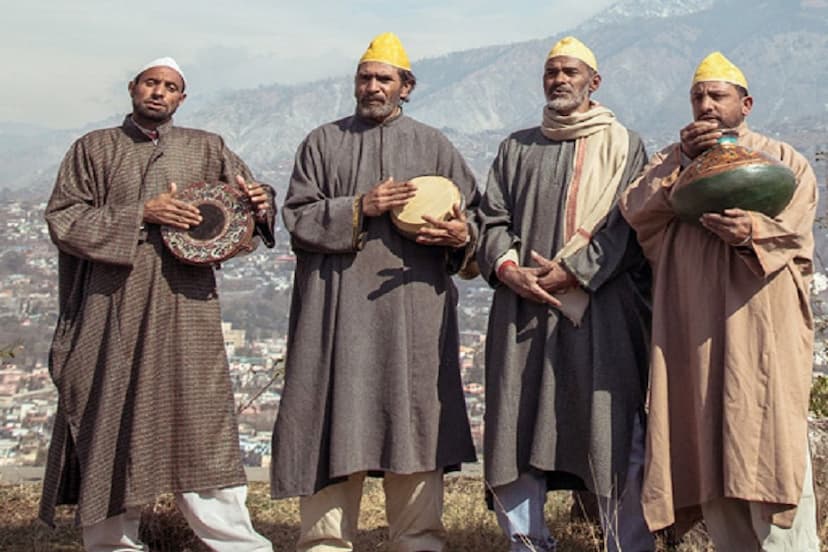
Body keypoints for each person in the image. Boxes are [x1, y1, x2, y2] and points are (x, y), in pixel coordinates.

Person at [39, 57, 275, 552]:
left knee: (201, 425)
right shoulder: (94, 148)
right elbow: (63, 217)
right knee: (111, 420)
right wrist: (140, 214)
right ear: (133, 87)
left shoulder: (206, 147)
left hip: (187, 310)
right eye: (151, 83)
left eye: (170, 87)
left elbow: (246, 207)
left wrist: (260, 201)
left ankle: (237, 544)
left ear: (181, 99)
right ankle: (110, 544)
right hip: (111, 309)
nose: (159, 93)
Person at [270, 32, 478, 552]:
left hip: (414, 315)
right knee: (329, 415)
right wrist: (359, 207)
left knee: (414, 420)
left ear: (406, 86)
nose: (372, 86)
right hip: (334, 316)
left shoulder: (435, 146)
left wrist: (462, 237)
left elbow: (475, 218)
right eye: (365, 77)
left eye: (384, 78)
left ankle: (419, 539)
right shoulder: (322, 143)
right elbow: (296, 217)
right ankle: (324, 542)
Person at [620, 52, 820, 550]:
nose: (705, 105)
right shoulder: (669, 163)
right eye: (697, 97)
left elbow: (795, 233)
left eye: (717, 95)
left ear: (745, 104)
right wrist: (686, 166)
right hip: (695, 342)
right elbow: (638, 214)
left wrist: (751, 230)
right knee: (712, 463)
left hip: (761, 341)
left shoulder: (783, 161)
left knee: (772, 456)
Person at [477, 36, 654, 552]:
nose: (559, 79)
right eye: (552, 71)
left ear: (593, 82)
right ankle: (527, 541)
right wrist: (510, 270)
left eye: (570, 71)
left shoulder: (626, 145)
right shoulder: (516, 147)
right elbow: (490, 219)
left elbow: (628, 225)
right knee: (516, 421)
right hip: (523, 311)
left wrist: (575, 272)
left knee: (613, 427)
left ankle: (627, 543)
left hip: (601, 311)